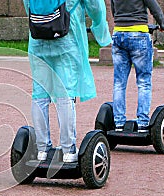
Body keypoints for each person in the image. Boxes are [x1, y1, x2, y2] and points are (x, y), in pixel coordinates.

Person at [23, 0, 111, 162]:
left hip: (38, 40)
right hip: (67, 38)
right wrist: (100, 28)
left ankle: (42, 149)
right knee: (65, 94)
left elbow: (28, 5)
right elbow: (95, 7)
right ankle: (68, 150)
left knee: (39, 94)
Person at [111, 0, 164, 133]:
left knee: (119, 83)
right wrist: (163, 23)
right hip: (138, 33)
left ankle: (119, 122)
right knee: (144, 82)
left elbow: (114, 11)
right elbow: (153, 6)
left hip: (118, 33)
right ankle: (143, 123)